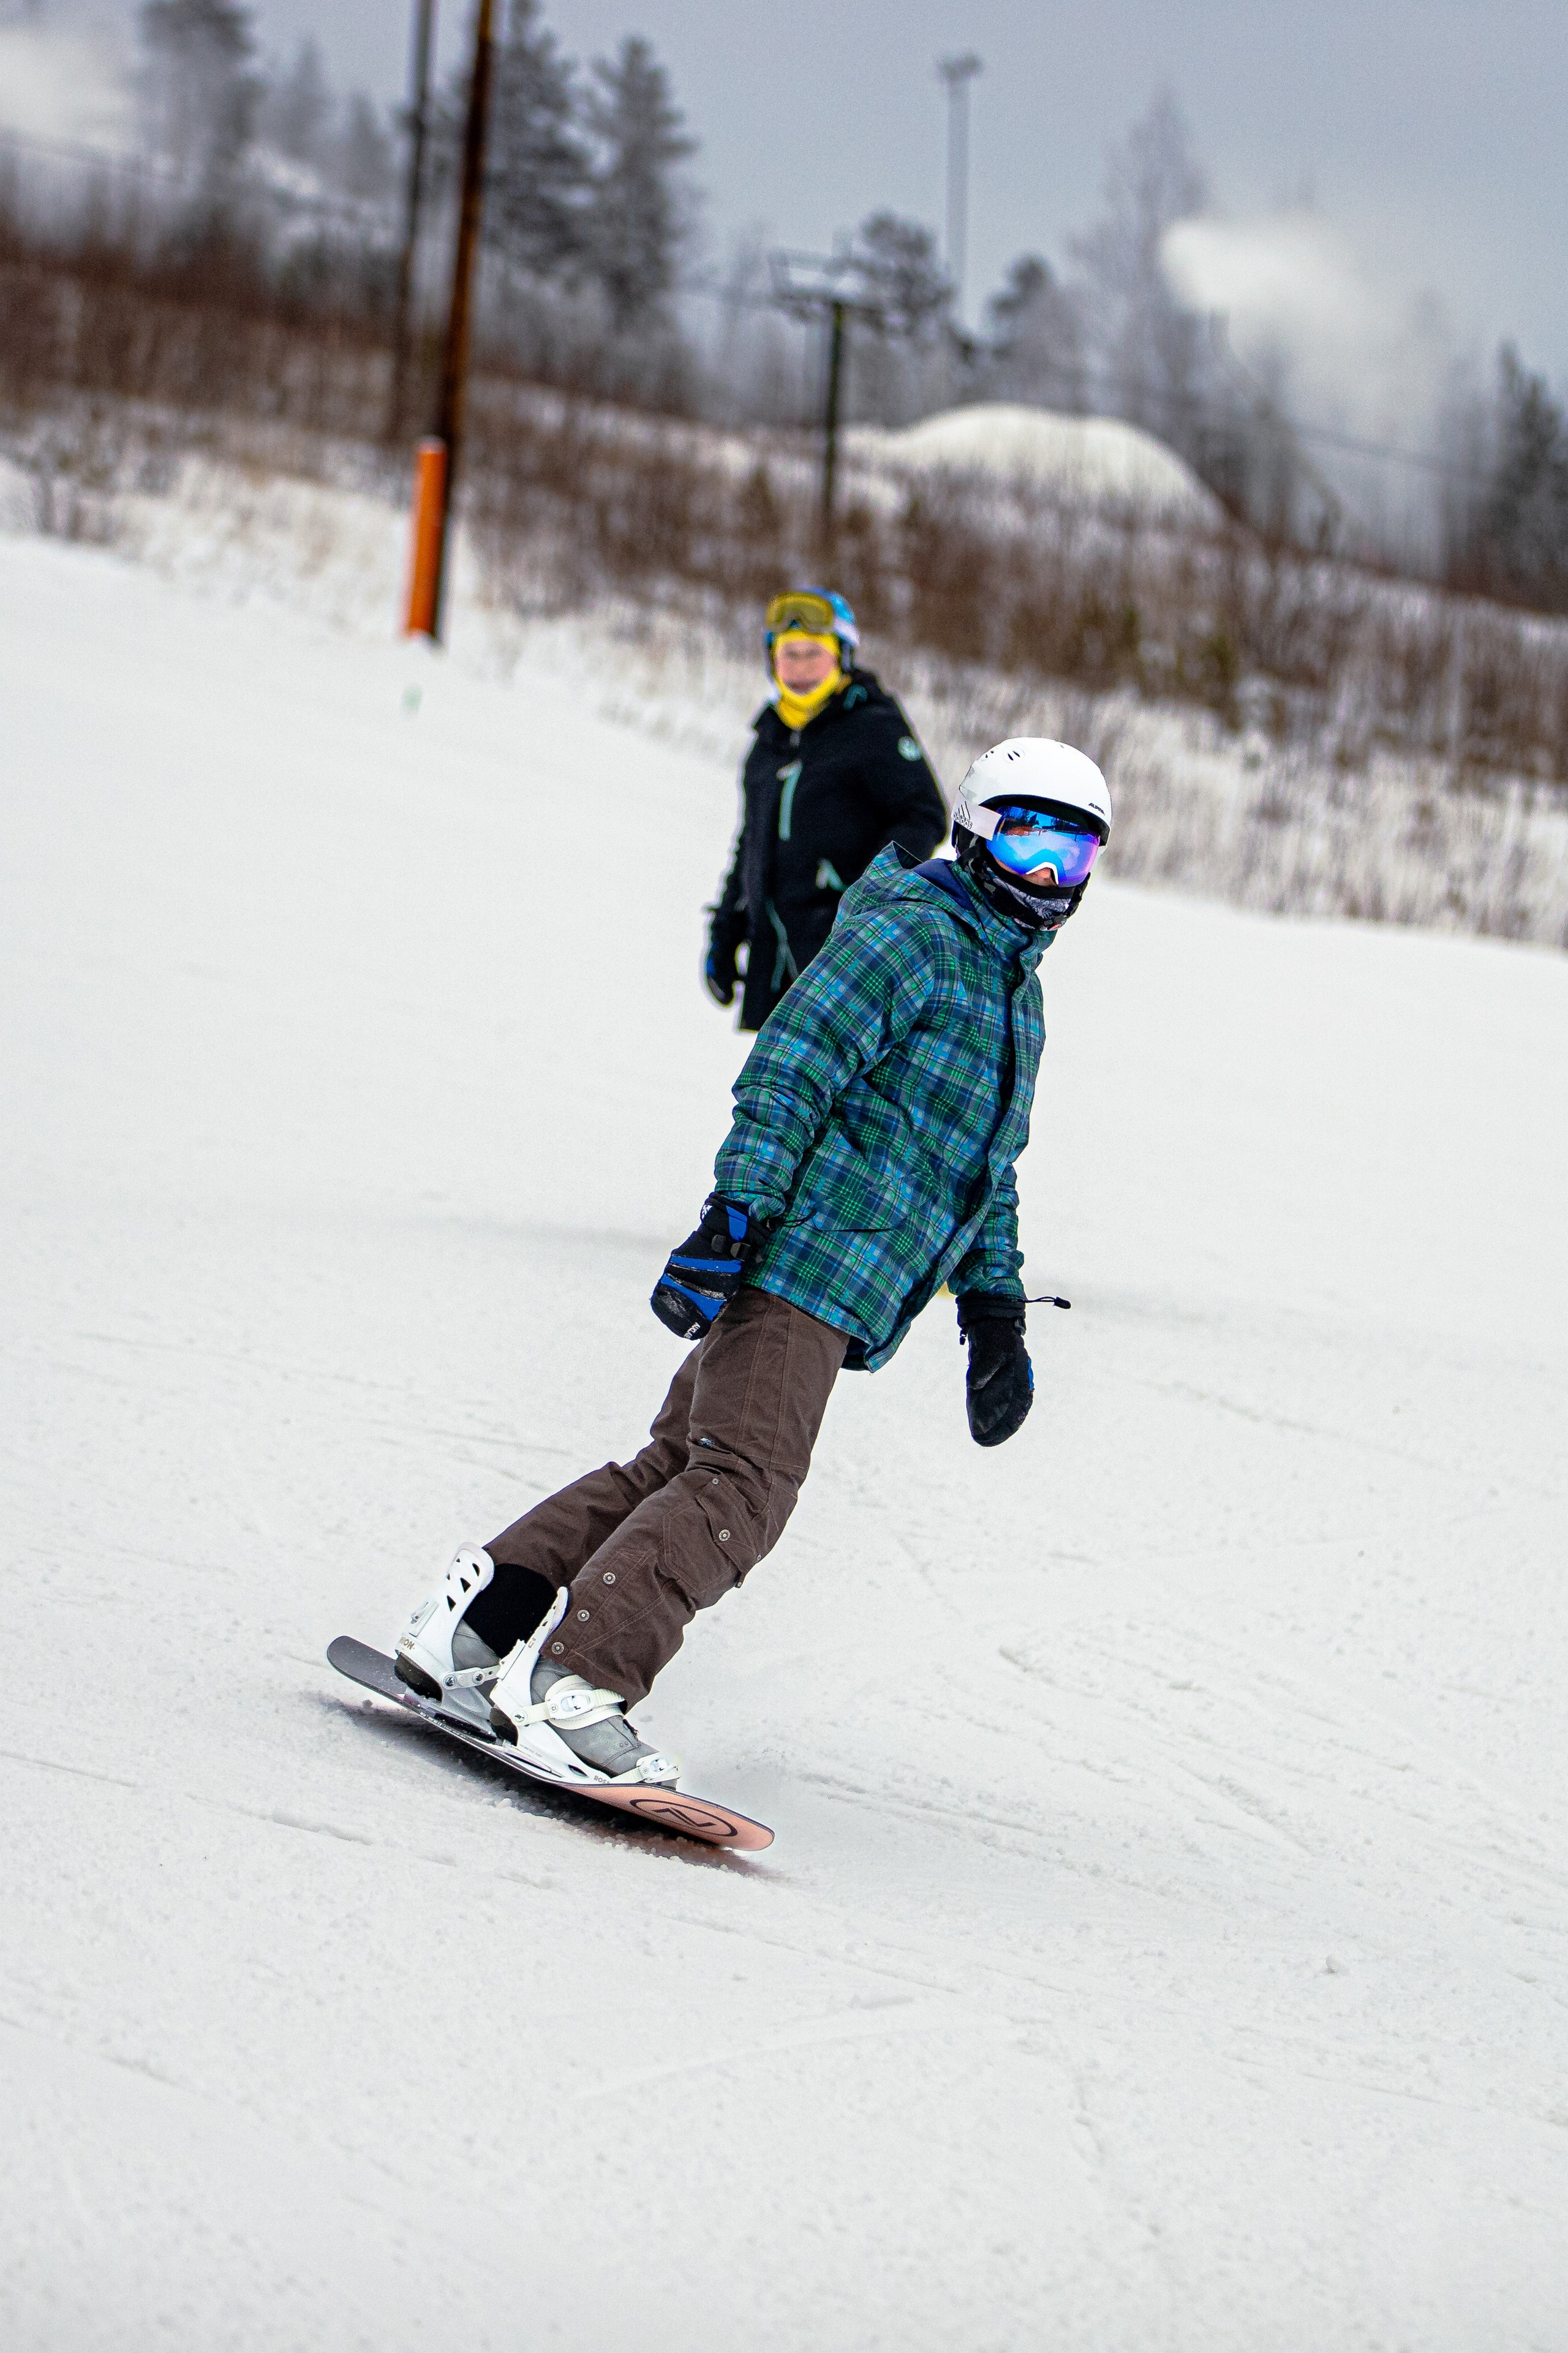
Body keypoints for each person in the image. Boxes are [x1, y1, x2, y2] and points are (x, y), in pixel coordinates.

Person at [393, 738, 1114, 1790]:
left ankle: (468, 1624)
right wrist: (734, 1214)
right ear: (972, 827)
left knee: (677, 1466)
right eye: (1028, 839)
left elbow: (988, 1167)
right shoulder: (916, 936)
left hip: (847, 1278)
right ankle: (578, 1684)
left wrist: (994, 1312)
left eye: (1074, 853)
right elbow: (791, 1067)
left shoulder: (1015, 994)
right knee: (744, 1484)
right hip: (804, 1261)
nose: (1047, 875)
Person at [704, 588, 947, 1032]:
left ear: (843, 657)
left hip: (847, 956)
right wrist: (727, 928)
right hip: (777, 955)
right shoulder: (771, 737)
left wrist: (858, 899)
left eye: (813, 656)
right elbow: (753, 839)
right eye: (787, 656)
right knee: (780, 1088)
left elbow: (924, 815)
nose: (799, 669)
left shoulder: (872, 726)